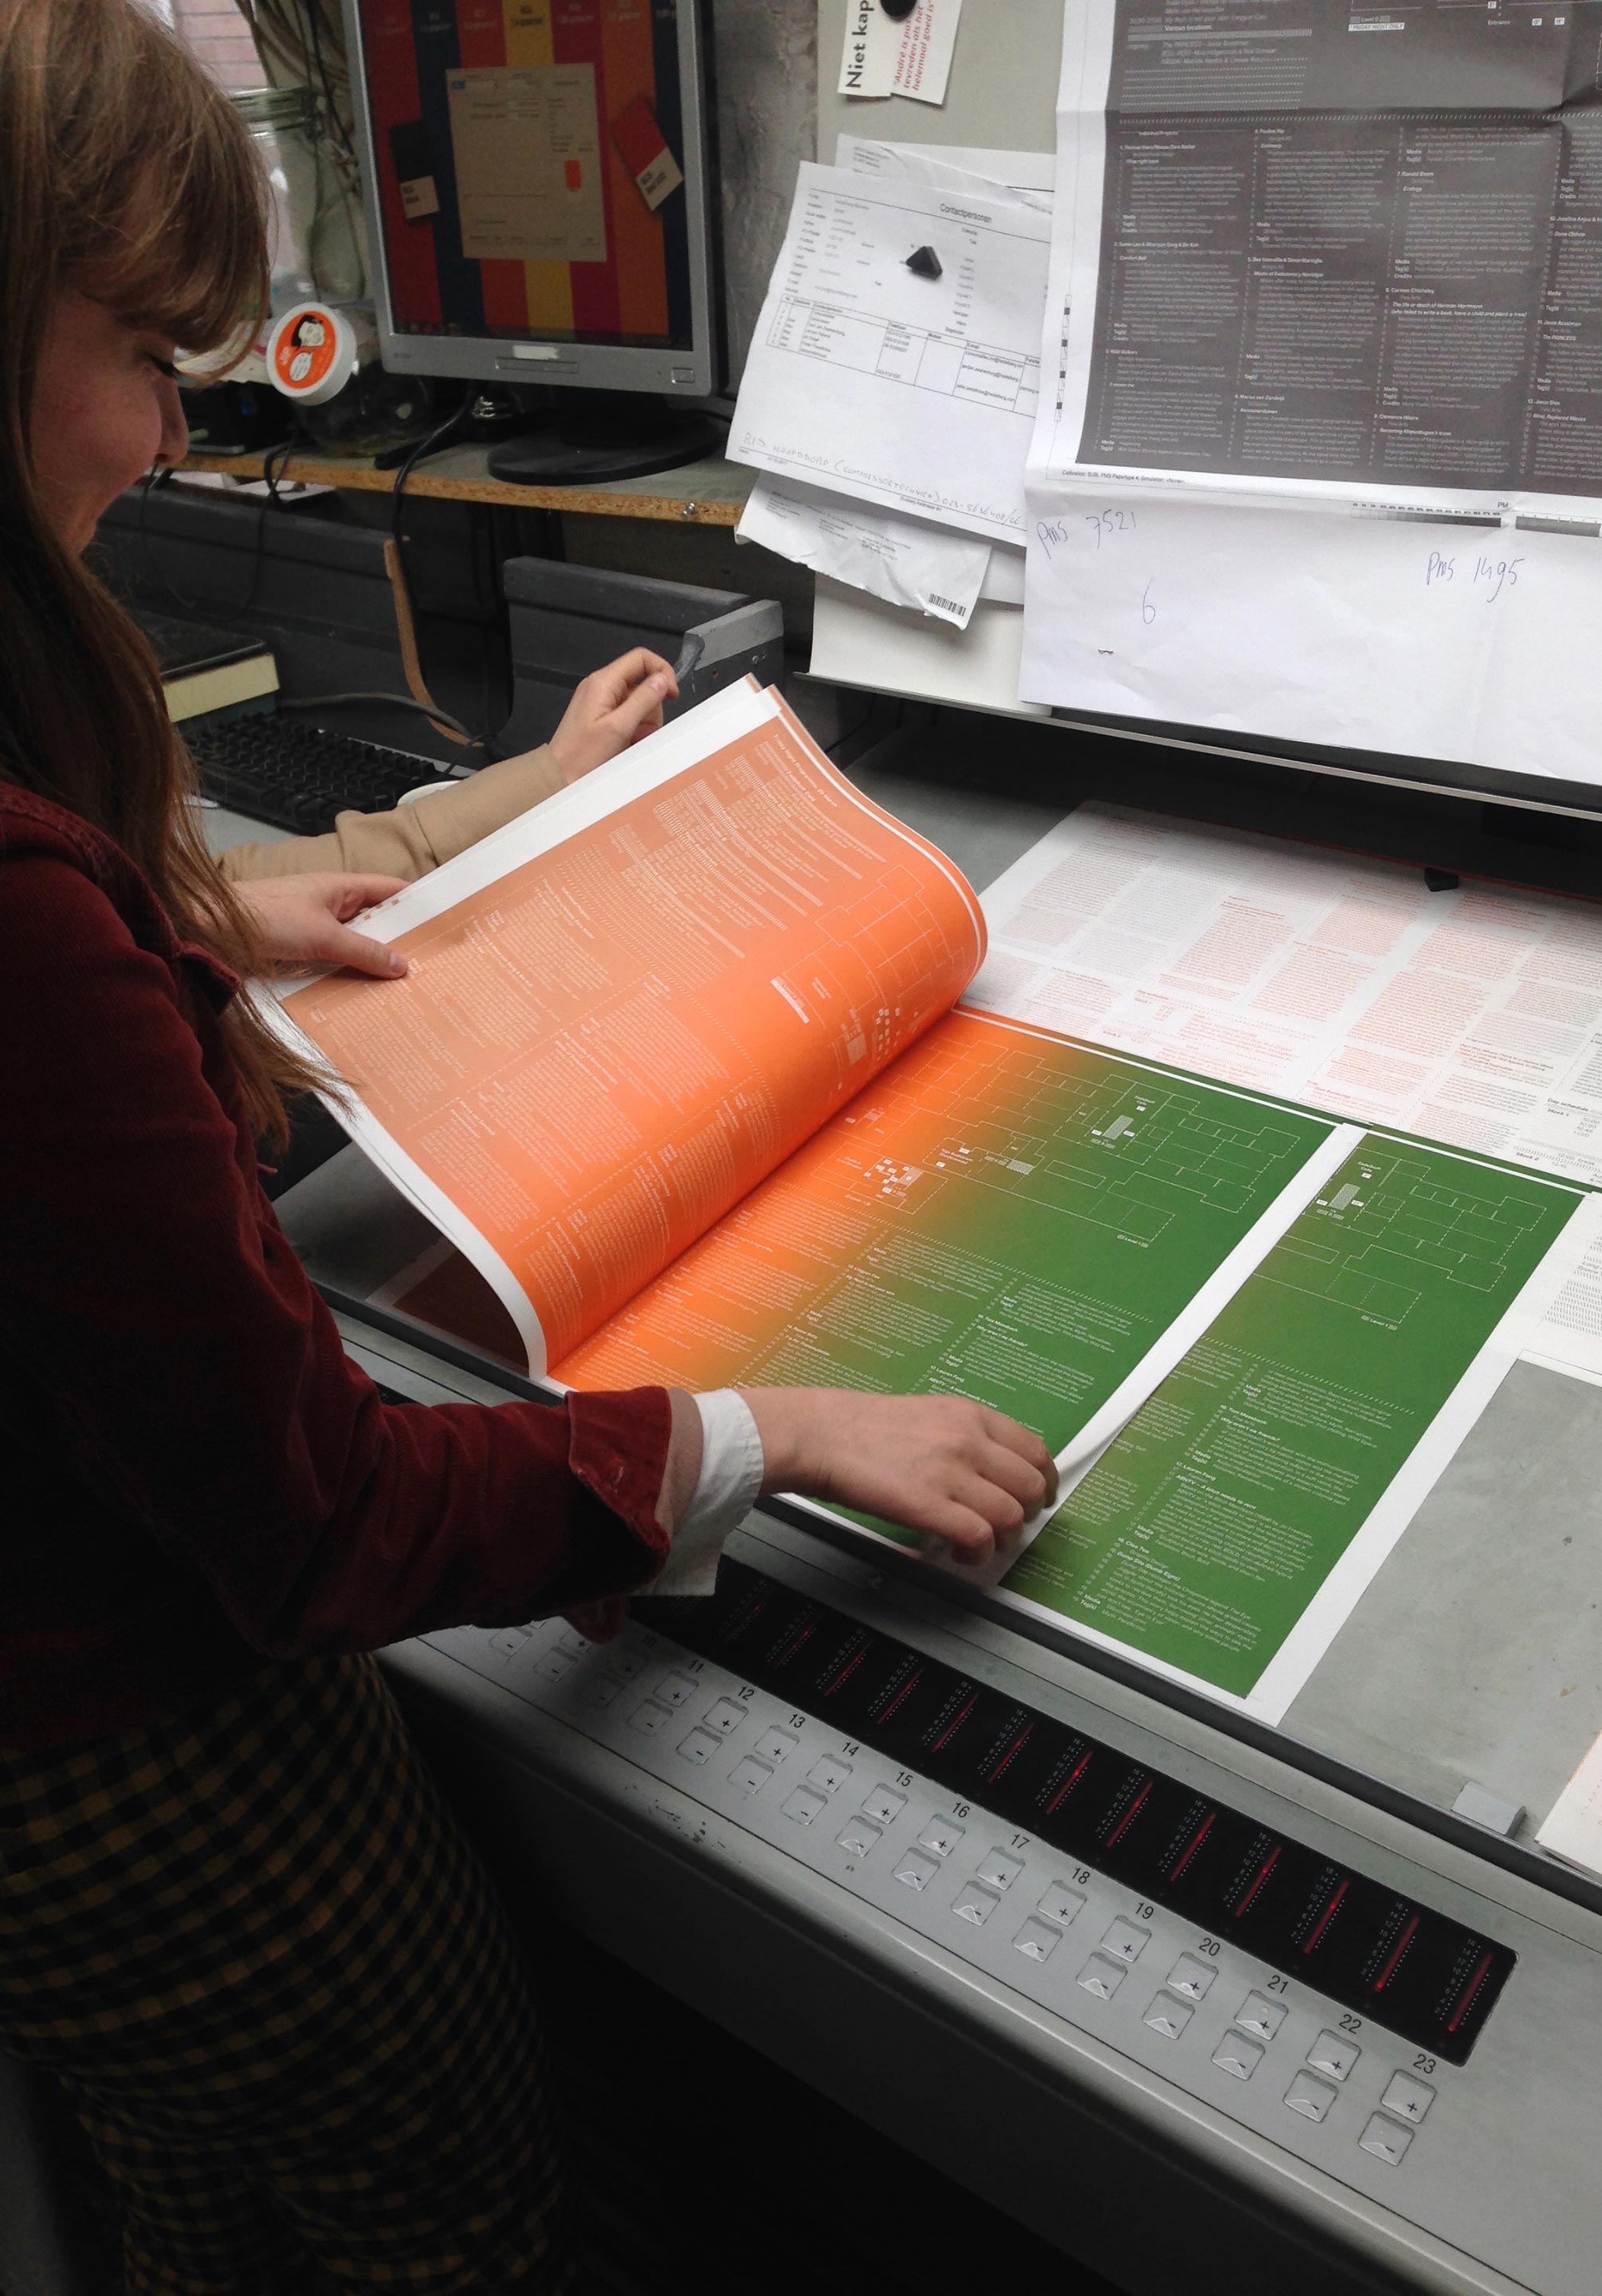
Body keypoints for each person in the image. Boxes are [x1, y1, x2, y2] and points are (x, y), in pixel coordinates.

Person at [0, 5, 1058, 2292]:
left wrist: (184, 925)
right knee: (456, 2195)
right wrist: (763, 1429)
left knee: (189, 2207)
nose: (176, 429)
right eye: (142, 353)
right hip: (139, 1770)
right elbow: (329, 1522)